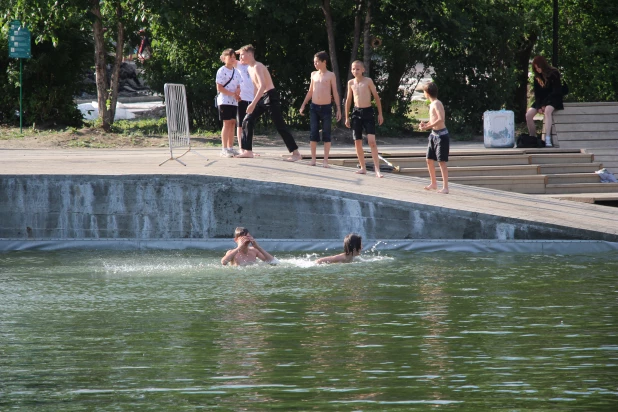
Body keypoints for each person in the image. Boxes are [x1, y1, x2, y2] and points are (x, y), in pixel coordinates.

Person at [235, 44, 302, 161]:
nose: (240, 58)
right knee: (247, 119)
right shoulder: (249, 68)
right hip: (262, 97)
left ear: (250, 55)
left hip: (270, 96)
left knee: (280, 125)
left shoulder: (257, 66)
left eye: (242, 55)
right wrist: (253, 102)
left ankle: (296, 153)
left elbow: (263, 86)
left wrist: (253, 103)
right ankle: (248, 151)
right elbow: (256, 88)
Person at [299, 51, 342, 167]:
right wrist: (303, 104)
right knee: (313, 133)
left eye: (317, 62)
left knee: (326, 133)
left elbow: (335, 92)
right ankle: (313, 159)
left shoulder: (330, 75)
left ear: (324, 62)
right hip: (314, 107)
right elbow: (310, 91)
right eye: (314, 62)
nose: (315, 64)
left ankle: (325, 160)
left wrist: (338, 109)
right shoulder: (314, 74)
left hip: (326, 107)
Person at [344, 60, 384, 178]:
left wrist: (380, 114)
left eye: (357, 69)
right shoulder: (351, 83)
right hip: (356, 112)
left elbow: (376, 97)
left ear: (363, 70)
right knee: (357, 141)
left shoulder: (368, 81)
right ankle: (363, 167)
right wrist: (346, 117)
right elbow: (348, 100)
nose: (355, 71)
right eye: (353, 69)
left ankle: (377, 169)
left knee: (372, 141)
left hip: (368, 112)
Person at [525, 55, 564, 147]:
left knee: (547, 111)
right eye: (536, 68)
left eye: (539, 67)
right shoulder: (537, 77)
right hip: (542, 100)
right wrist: (539, 106)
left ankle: (547, 138)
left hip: (554, 98)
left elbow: (556, 91)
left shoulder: (554, 73)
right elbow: (537, 94)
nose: (538, 70)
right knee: (528, 115)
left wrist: (545, 105)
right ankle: (533, 138)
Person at [419, 82, 450, 194]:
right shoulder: (432, 104)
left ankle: (445, 187)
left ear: (427, 93)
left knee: (441, 162)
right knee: (429, 159)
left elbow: (441, 119)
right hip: (433, 135)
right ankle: (433, 183)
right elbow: (434, 119)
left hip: (441, 136)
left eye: (424, 92)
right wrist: (426, 125)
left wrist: (428, 127)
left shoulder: (437, 103)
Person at [216, 49, 241, 157]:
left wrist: (237, 92)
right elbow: (219, 87)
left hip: (234, 101)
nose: (232, 59)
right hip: (224, 100)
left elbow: (239, 85)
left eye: (234, 57)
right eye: (230, 57)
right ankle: (224, 148)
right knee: (226, 123)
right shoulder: (221, 70)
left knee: (232, 123)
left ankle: (230, 147)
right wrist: (231, 94)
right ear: (224, 58)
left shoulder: (236, 71)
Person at [234, 49, 256, 154]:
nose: (240, 58)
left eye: (243, 55)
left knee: (250, 124)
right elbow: (224, 57)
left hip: (251, 99)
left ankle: (248, 148)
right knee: (240, 124)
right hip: (241, 98)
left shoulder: (252, 66)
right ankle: (241, 147)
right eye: (240, 56)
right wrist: (239, 52)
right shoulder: (238, 65)